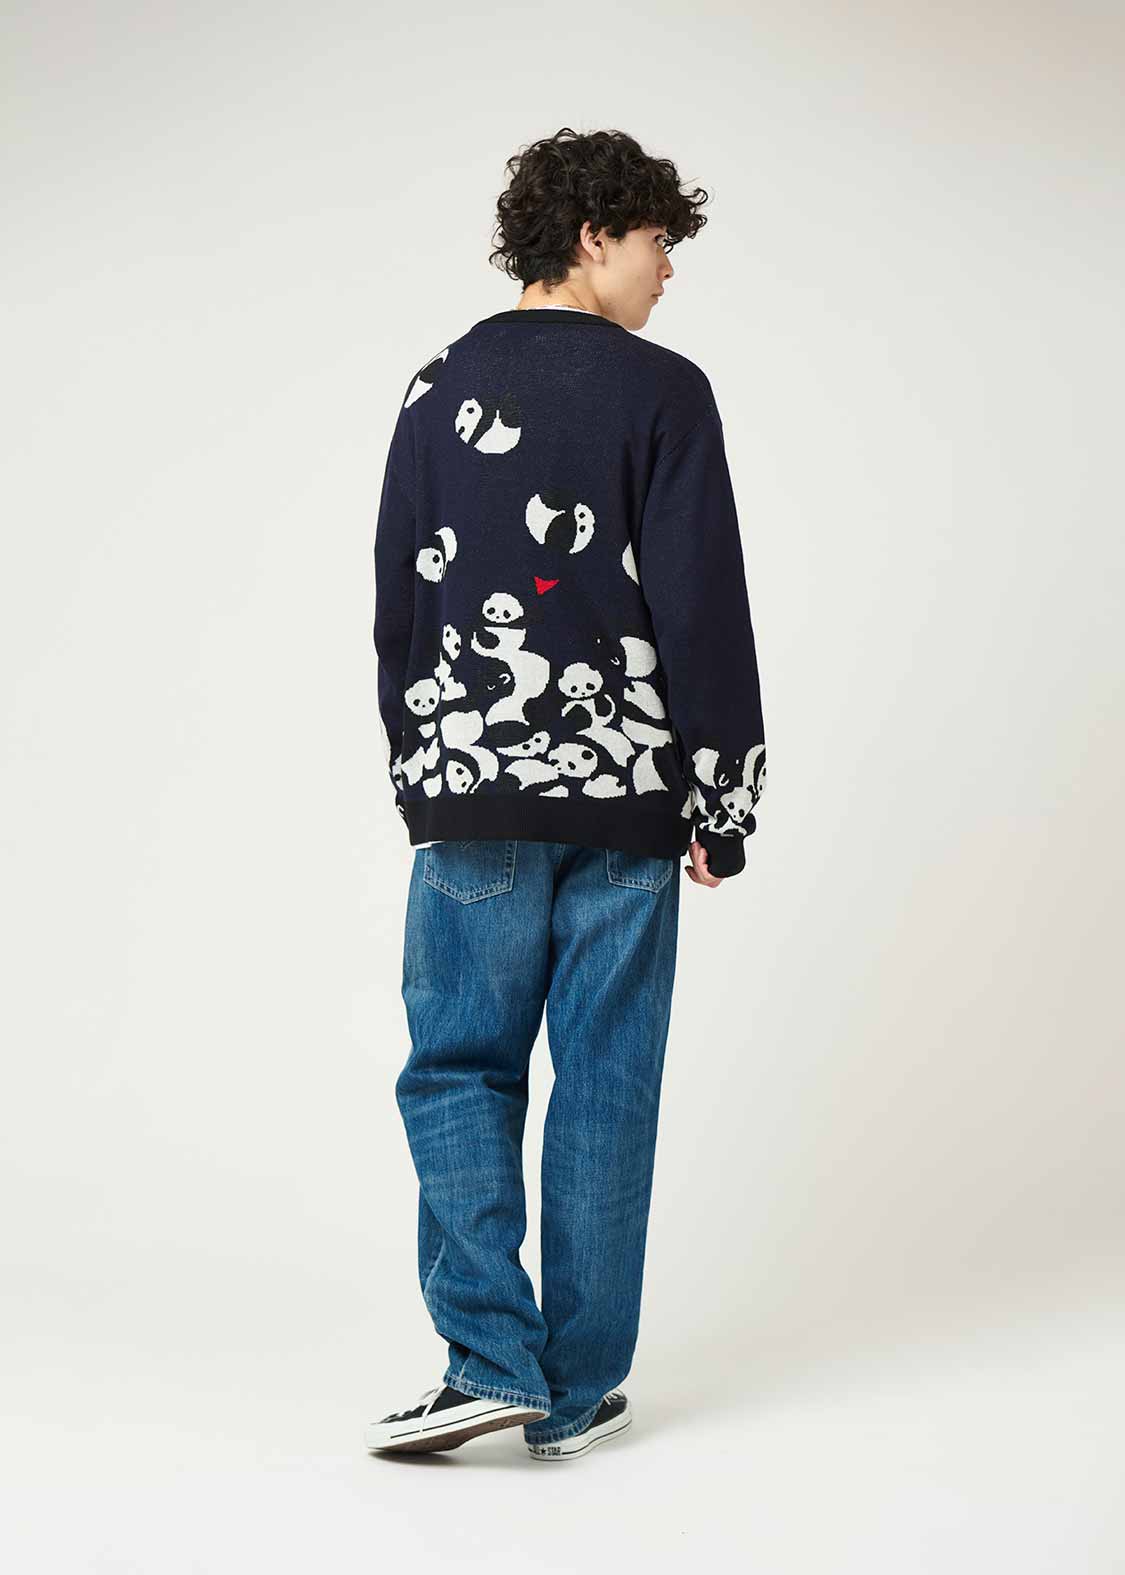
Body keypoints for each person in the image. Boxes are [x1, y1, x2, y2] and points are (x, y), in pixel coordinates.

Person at [366, 127, 767, 1460]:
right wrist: (721, 797)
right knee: (606, 1084)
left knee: (458, 1069)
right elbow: (702, 604)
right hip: (626, 803)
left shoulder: (438, 387)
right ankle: (576, 1389)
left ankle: (489, 1360)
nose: (668, 272)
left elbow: (401, 598)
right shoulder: (664, 391)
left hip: (470, 793)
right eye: (657, 243)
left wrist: (422, 766)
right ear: (594, 237)